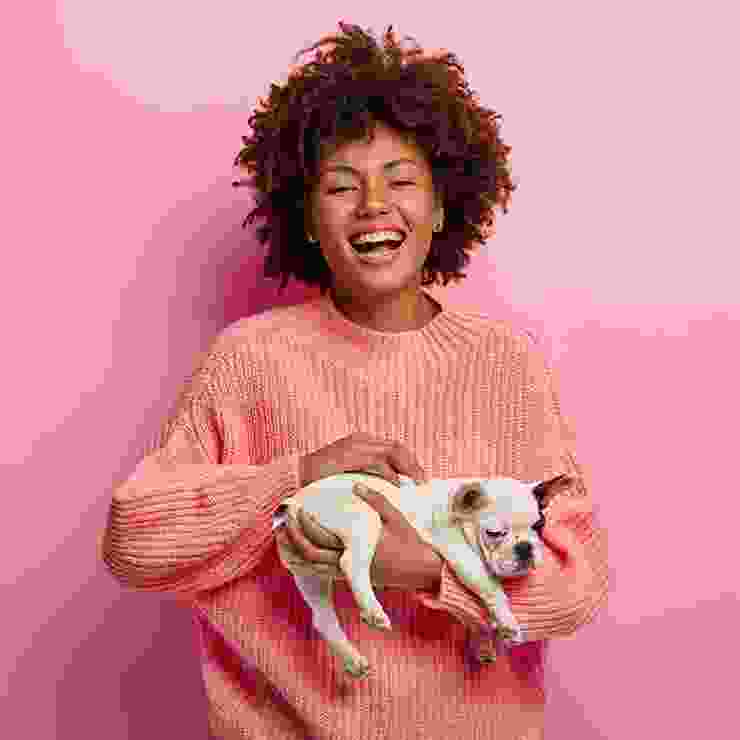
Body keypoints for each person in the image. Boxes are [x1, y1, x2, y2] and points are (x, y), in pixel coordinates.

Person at [100, 22, 609, 740]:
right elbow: (133, 539)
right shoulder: (249, 360)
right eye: (341, 185)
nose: (373, 203)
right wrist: (296, 478)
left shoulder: (508, 365)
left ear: (442, 206)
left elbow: (577, 584)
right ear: (307, 218)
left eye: (400, 180)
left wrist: (427, 569)